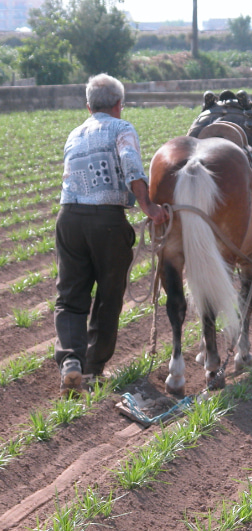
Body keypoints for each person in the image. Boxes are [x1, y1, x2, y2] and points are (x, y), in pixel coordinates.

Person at [54, 73, 168, 397]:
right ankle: (92, 369)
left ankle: (70, 364)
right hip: (107, 220)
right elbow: (131, 163)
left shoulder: (74, 134)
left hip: (69, 218)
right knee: (107, 297)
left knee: (70, 296)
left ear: (88, 106)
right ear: (119, 104)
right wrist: (148, 205)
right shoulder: (121, 128)